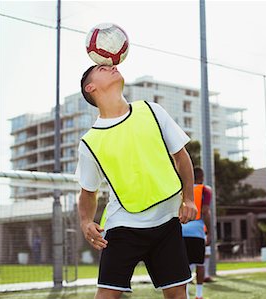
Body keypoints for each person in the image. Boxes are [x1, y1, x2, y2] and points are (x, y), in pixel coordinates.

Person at [77, 64, 197, 299]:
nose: (112, 66)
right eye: (102, 68)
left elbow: (181, 157)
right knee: (107, 295)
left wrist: (189, 198)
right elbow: (87, 192)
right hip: (122, 225)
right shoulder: (90, 142)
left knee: (177, 294)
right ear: (90, 87)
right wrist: (85, 221)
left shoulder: (151, 110)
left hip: (167, 222)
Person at [182, 167, 212, 299]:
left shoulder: (180, 189)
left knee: (183, 265)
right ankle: (199, 295)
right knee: (200, 264)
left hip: (181, 231)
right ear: (202, 177)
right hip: (197, 232)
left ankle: (186, 295)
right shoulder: (205, 190)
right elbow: (205, 211)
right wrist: (210, 232)